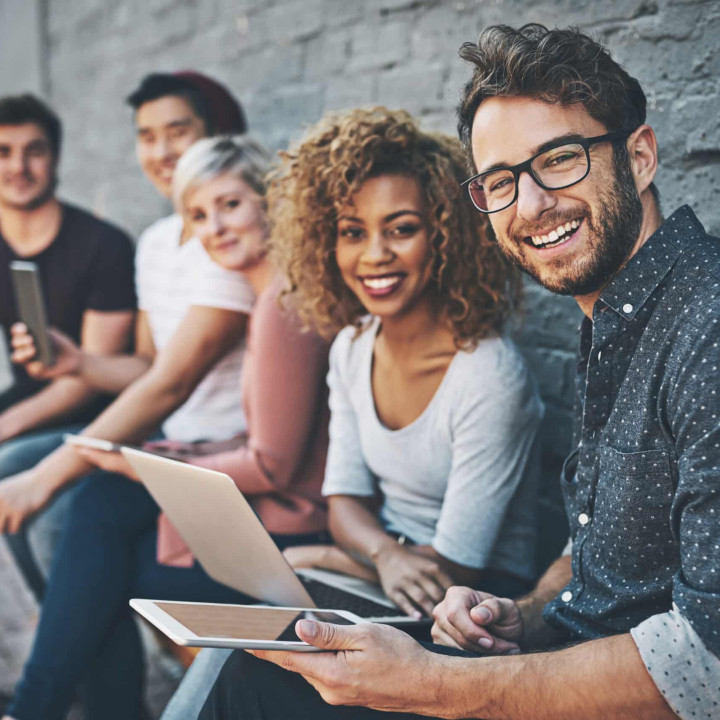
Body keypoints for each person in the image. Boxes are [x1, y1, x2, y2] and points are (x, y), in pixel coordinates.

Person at [199, 24, 720, 720]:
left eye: (560, 159)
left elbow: (706, 665)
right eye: (502, 182)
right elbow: (607, 544)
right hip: (558, 650)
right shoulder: (619, 311)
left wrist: (428, 683)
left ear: (641, 155)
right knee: (256, 664)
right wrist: (521, 614)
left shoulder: (704, 323)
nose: (531, 206)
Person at [1, 133, 334, 720]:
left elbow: (273, 465)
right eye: (199, 215)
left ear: (269, 201)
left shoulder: (281, 306)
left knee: (104, 545)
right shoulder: (268, 299)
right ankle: (54, 706)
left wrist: (145, 464)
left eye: (230, 205)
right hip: (269, 503)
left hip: (293, 526)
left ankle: (46, 707)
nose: (215, 228)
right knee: (100, 516)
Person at [1, 72, 252, 600]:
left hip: (206, 448)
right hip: (164, 431)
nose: (161, 152)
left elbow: (168, 383)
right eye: (147, 136)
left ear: (217, 135)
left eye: (177, 132)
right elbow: (145, 364)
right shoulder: (158, 241)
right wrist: (79, 361)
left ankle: (83, 680)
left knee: (52, 515)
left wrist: (48, 476)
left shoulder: (228, 245)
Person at [0, 93, 136, 598]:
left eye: (33, 150)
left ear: (55, 157)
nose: (19, 166)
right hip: (31, 407)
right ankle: (58, 634)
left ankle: (73, 646)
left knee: (41, 526)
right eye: (4, 151)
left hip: (101, 413)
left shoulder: (103, 245)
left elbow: (86, 384)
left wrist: (5, 425)